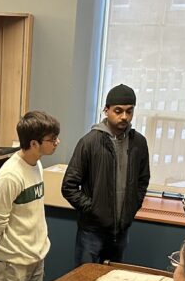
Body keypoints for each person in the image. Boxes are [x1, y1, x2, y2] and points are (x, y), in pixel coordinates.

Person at [61, 84, 150, 265]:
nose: (124, 116)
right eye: (118, 111)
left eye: (129, 111)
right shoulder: (89, 142)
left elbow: (143, 180)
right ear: (106, 110)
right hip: (91, 231)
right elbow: (68, 186)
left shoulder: (138, 143)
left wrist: (133, 206)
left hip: (121, 231)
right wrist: (93, 208)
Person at [0, 110, 59, 281]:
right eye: (52, 139)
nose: (57, 143)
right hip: (13, 261)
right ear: (34, 144)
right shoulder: (10, 176)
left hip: (36, 255)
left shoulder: (37, 164)